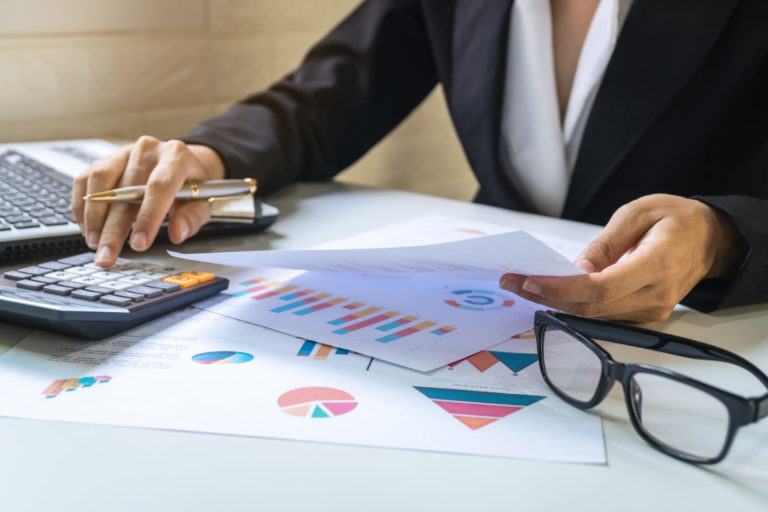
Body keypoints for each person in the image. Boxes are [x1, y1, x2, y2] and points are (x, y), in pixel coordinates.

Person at [71, 0, 767, 323]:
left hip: (714, 331)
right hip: (504, 323)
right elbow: (325, 99)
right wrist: (206, 156)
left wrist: (723, 235)